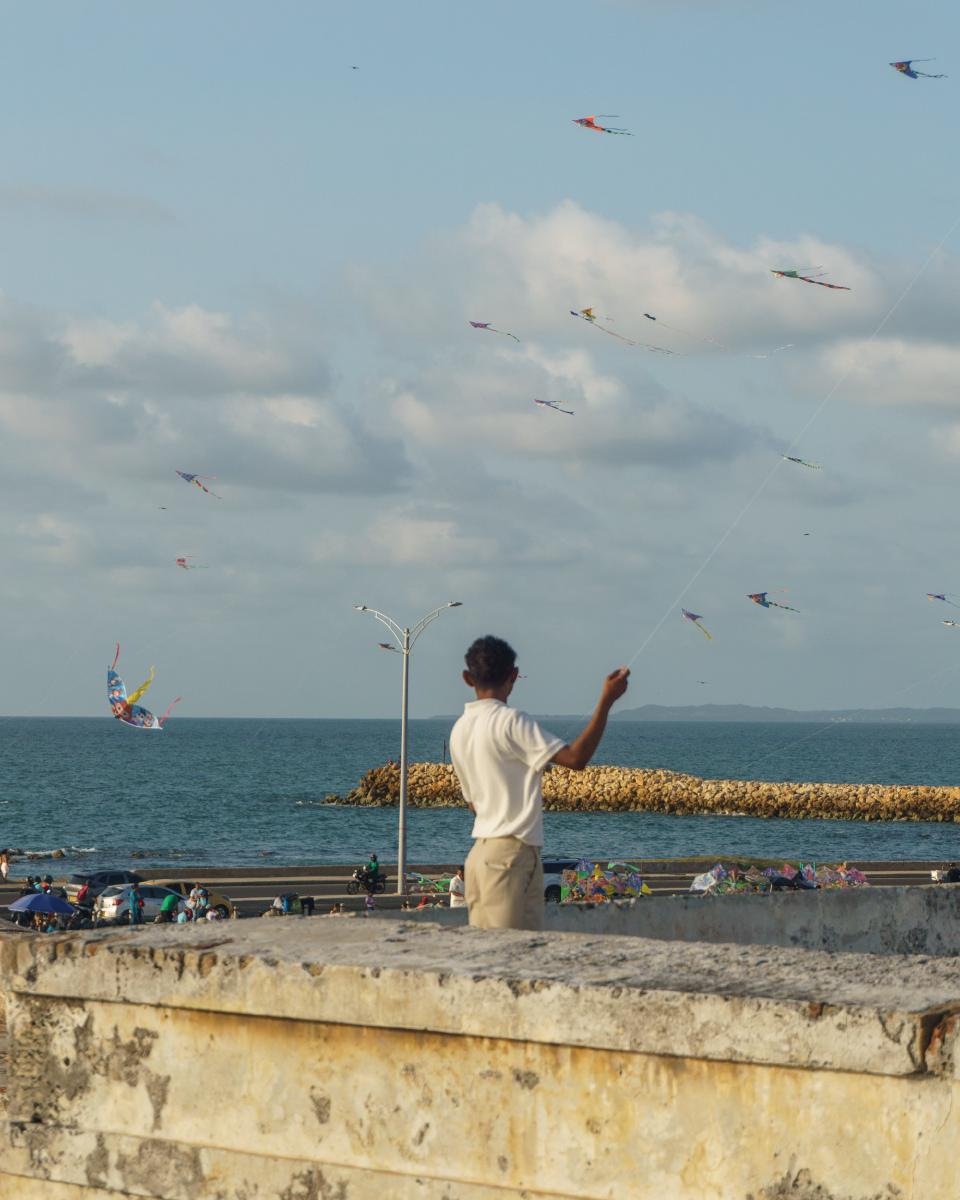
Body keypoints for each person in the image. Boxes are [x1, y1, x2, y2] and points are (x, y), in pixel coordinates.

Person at [449, 635, 629, 932]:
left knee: (500, 956)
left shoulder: (459, 730)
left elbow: (474, 804)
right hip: (511, 857)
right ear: (514, 676)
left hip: (482, 855)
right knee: (510, 956)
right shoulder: (511, 721)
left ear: (468, 678)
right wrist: (606, 700)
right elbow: (575, 758)